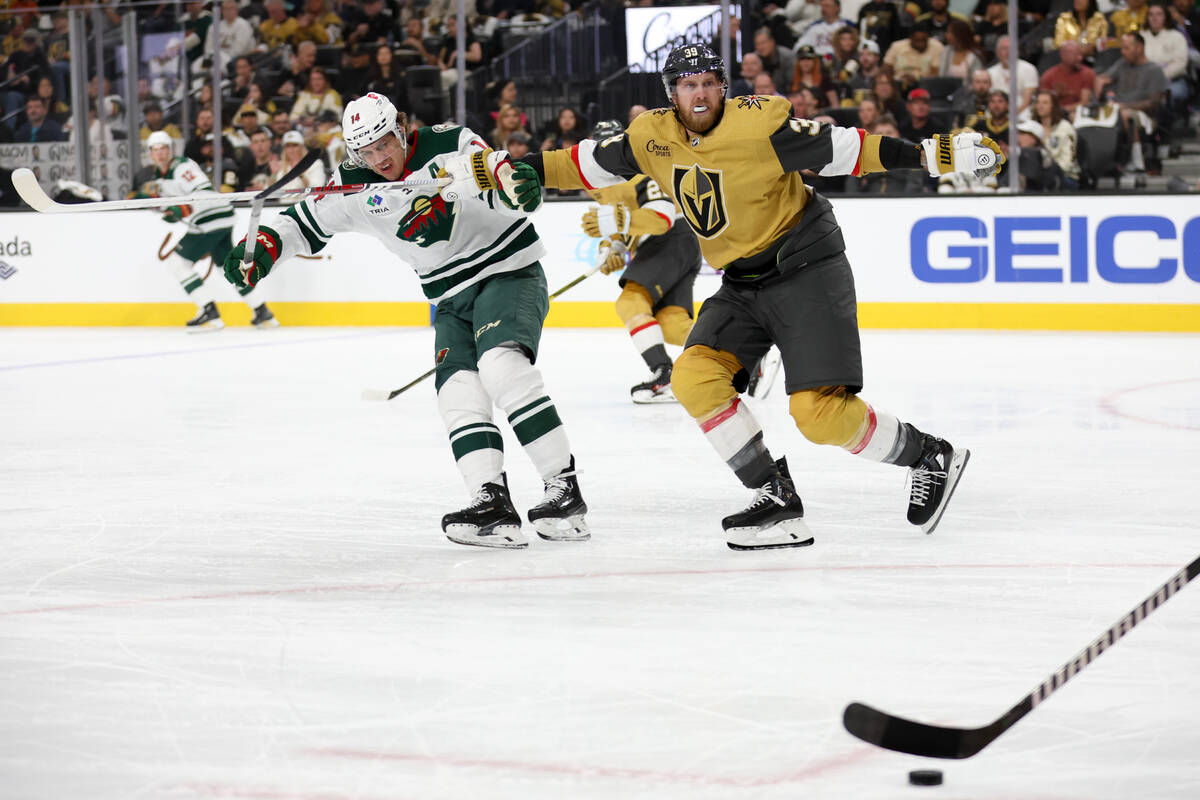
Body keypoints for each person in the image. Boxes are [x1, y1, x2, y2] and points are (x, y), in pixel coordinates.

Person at [520, 43, 997, 549]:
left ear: (724, 87)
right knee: (694, 379)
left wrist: (931, 154)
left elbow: (849, 150)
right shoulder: (651, 136)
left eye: (708, 82)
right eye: (687, 84)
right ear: (671, 94)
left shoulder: (762, 126)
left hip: (806, 268)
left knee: (819, 415)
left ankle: (926, 454)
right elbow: (584, 163)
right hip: (742, 283)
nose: (699, 93)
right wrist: (516, 168)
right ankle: (774, 495)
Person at [221, 93, 589, 549]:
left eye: (384, 144)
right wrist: (263, 248)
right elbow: (302, 220)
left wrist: (517, 186)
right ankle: (491, 502)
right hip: (450, 300)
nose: (379, 159)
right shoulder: (352, 184)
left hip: (506, 272)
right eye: (366, 151)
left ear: (401, 126)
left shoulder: (450, 142)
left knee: (502, 368)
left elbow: (495, 171)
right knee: (458, 394)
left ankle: (564, 489)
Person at [578, 119, 703, 404]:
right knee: (672, 326)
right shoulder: (605, 184)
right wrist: (612, 249)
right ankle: (742, 355)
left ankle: (663, 373)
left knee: (630, 302)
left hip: (671, 238)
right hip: (678, 244)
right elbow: (620, 229)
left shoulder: (643, 172)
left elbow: (662, 218)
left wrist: (624, 222)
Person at [140, 131, 278, 331]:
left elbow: (201, 191)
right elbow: (173, 206)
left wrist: (180, 210)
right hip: (220, 216)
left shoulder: (182, 166)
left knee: (178, 263)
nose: (160, 153)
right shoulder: (161, 178)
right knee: (226, 267)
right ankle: (261, 309)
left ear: (170, 150)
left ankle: (208, 309)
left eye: (163, 148)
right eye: (155, 149)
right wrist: (170, 211)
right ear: (150, 153)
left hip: (210, 217)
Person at [1094, 31, 1167, 173]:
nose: (1122, 52)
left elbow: (1153, 104)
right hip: (1116, 109)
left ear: (1139, 48)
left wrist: (1122, 106)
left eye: (1126, 48)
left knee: (1125, 115)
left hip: (1145, 116)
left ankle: (1137, 160)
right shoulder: (1122, 64)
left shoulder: (1154, 70)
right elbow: (1101, 78)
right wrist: (1099, 88)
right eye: (1122, 47)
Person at [1038, 40, 1095, 113]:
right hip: (1054, 116)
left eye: (1080, 55)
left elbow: (1084, 102)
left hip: (1078, 114)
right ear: (1063, 55)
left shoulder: (1087, 73)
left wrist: (1064, 110)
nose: (1080, 58)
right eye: (1076, 55)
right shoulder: (1048, 76)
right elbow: (1043, 103)